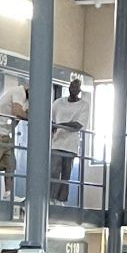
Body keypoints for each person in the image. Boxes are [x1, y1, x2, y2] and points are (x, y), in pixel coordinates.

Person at [49, 75, 88, 204]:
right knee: (54, 171)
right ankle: (51, 198)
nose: (74, 89)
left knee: (66, 173)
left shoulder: (84, 105)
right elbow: (51, 120)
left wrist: (60, 125)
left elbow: (78, 125)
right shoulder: (58, 103)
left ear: (79, 90)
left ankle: (61, 200)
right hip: (56, 143)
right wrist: (53, 128)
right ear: (69, 88)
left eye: (77, 87)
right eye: (72, 86)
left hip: (71, 145)